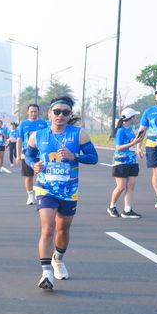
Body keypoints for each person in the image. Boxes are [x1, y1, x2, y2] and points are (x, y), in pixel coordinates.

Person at [25, 96, 98, 290]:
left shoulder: (79, 134)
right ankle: (46, 272)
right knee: (48, 228)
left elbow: (93, 157)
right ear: (49, 114)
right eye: (57, 111)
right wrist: (34, 165)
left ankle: (58, 259)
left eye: (65, 112)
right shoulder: (37, 135)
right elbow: (28, 156)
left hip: (68, 190)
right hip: (45, 188)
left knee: (63, 229)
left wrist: (74, 156)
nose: (60, 115)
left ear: (70, 115)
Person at [108, 108, 143, 218]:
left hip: (132, 161)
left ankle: (127, 210)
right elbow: (118, 148)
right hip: (121, 161)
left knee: (131, 185)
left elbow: (131, 143)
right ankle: (112, 206)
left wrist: (137, 144)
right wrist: (133, 143)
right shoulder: (121, 131)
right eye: (134, 117)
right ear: (131, 118)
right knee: (121, 187)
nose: (135, 118)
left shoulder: (130, 129)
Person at [16, 104, 49, 205]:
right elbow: (19, 140)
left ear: (38, 112)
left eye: (35, 111)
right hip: (27, 155)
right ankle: (30, 196)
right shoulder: (23, 124)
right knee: (29, 176)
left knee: (42, 176)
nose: (33, 113)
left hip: (41, 155)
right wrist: (18, 155)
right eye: (31, 111)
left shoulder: (43, 123)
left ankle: (40, 193)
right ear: (28, 112)